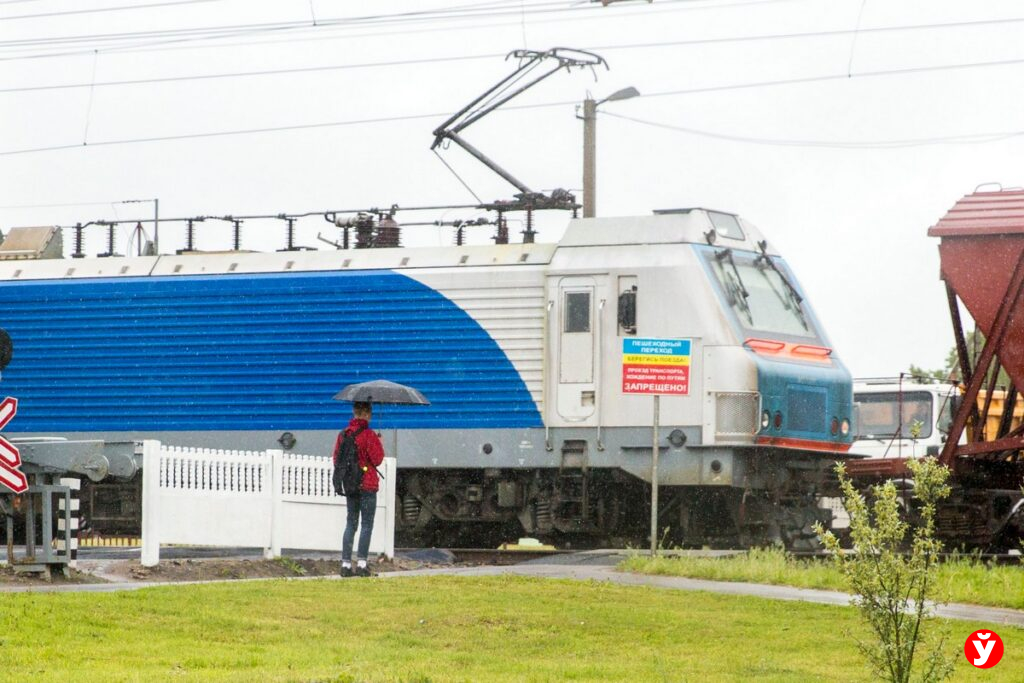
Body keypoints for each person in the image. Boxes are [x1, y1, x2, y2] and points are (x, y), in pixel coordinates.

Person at [334, 401, 385, 577]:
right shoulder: (369, 435)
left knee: (351, 523)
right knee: (367, 524)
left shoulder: (343, 435)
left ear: (354, 413)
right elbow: (377, 459)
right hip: (368, 484)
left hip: (350, 485)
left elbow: (337, 460)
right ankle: (362, 564)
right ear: (367, 414)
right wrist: (379, 442)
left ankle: (346, 564)